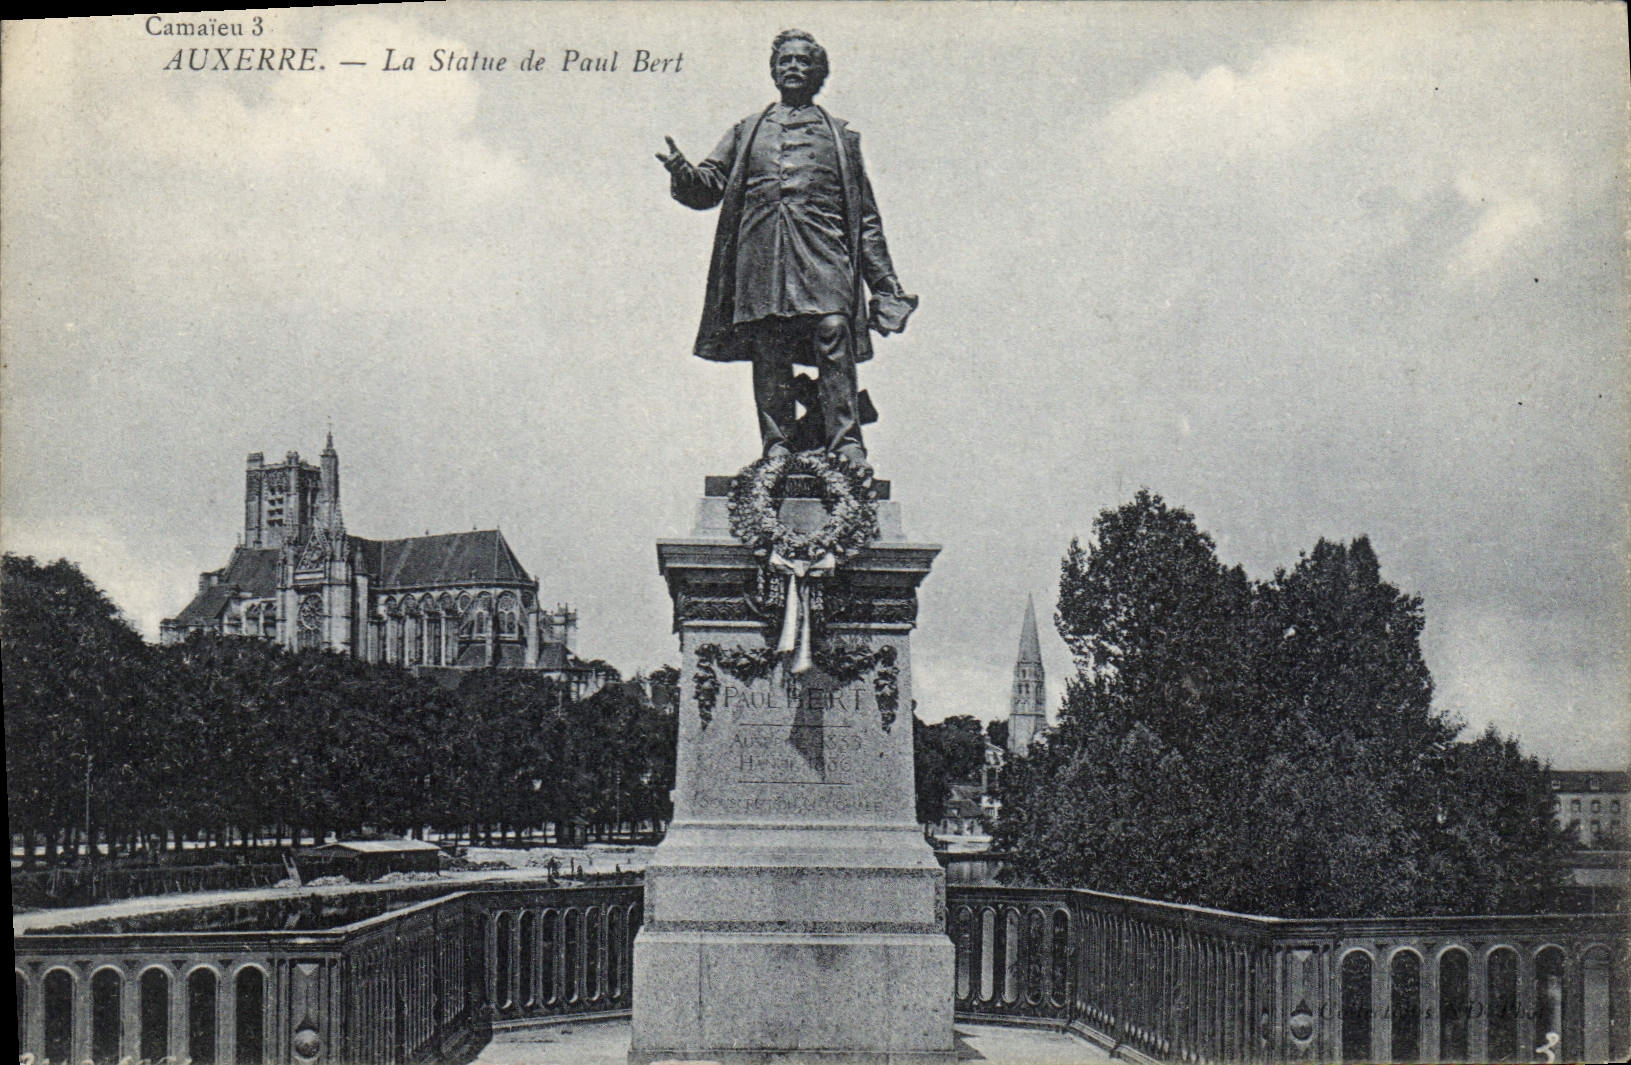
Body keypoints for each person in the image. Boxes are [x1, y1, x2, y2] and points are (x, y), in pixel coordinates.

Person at [657, 29, 916, 473]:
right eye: (785, 61)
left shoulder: (841, 138)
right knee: (769, 341)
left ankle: (846, 444)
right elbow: (709, 186)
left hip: (825, 252)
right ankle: (777, 446)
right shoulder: (746, 130)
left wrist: (885, 286)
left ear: (819, 73)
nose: (793, 67)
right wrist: (683, 171)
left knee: (833, 329)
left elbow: (866, 220)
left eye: (803, 61)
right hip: (762, 256)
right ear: (773, 71)